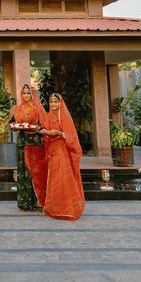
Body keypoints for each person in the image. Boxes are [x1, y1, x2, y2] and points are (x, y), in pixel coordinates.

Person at [41, 92, 85, 220]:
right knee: (54, 179)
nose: (53, 104)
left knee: (63, 178)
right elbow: (48, 131)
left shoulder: (64, 116)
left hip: (61, 150)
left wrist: (59, 133)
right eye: (51, 102)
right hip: (52, 151)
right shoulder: (49, 116)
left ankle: (68, 209)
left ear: (60, 103)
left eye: (56, 102)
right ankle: (55, 209)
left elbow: (71, 135)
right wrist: (45, 132)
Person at [10, 84, 48, 211]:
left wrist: (39, 128)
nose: (26, 96)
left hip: (36, 142)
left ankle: (39, 201)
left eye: (28, 93)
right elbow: (12, 123)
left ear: (32, 94)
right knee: (23, 172)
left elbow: (45, 125)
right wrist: (14, 127)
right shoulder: (19, 109)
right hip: (23, 142)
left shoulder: (39, 108)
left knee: (36, 172)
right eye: (24, 93)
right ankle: (25, 203)